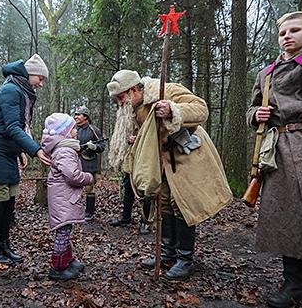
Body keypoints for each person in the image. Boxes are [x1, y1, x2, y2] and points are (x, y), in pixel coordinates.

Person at [106, 70, 232, 280]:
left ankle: (185, 260)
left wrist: (173, 109)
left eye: (121, 97)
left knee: (181, 205)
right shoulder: (134, 107)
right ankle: (167, 254)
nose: (120, 103)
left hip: (186, 155)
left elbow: (201, 109)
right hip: (162, 161)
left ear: (134, 89)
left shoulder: (166, 90)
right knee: (163, 203)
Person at [246, 11, 302, 308]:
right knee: (288, 220)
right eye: (283, 32)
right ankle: (295, 286)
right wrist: (255, 115)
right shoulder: (266, 73)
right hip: (279, 151)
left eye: (294, 30)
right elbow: (252, 108)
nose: (287, 36)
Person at [0, 54, 51, 265]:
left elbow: (14, 128)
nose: (41, 84)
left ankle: (4, 246)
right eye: (40, 78)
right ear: (30, 74)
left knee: (9, 201)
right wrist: (34, 150)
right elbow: (12, 127)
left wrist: (19, 150)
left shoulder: (22, 91)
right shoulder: (11, 89)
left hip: (7, 151)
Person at [40, 113, 94, 280]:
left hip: (64, 198)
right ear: (64, 132)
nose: (76, 131)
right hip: (64, 200)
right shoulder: (65, 151)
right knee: (63, 232)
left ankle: (68, 260)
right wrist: (89, 177)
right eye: (73, 129)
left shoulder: (64, 148)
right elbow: (73, 176)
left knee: (66, 230)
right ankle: (58, 267)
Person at [74, 106, 105, 221]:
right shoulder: (74, 129)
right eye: (75, 115)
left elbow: (102, 146)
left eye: (79, 114)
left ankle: (89, 213)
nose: (76, 117)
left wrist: (94, 146)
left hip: (89, 162)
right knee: (74, 187)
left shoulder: (93, 130)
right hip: (75, 161)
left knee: (89, 188)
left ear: (86, 117)